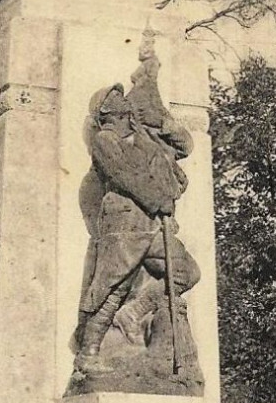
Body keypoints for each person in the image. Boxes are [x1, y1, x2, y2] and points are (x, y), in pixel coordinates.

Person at [73, 80, 199, 374]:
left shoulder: (141, 136)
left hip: (153, 224)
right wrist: (159, 201)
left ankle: (134, 312)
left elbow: (184, 147)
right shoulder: (104, 140)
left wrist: (162, 120)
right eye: (117, 99)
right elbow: (124, 177)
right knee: (113, 288)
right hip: (125, 226)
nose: (125, 101)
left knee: (187, 272)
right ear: (107, 110)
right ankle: (88, 354)